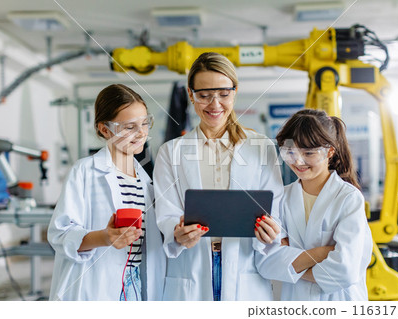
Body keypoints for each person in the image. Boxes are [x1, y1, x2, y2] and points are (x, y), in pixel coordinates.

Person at [153, 52, 283, 301]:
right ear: (190, 95)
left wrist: (271, 230)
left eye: (224, 94)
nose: (215, 104)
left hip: (245, 267)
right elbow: (167, 214)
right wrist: (176, 233)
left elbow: (275, 208)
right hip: (191, 267)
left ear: (235, 92)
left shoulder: (261, 146)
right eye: (204, 95)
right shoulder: (171, 152)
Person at [48, 84, 166, 301]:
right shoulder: (85, 171)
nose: (141, 133)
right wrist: (104, 237)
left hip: (137, 283)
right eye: (129, 127)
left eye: (144, 123)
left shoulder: (147, 180)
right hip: (96, 284)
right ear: (105, 129)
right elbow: (59, 234)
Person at [259, 109, 373, 301]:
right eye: (290, 152)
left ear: (330, 151)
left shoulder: (348, 198)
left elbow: (345, 270)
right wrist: (323, 253)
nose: (298, 161)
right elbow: (266, 263)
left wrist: (290, 265)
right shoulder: (280, 198)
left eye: (309, 153)